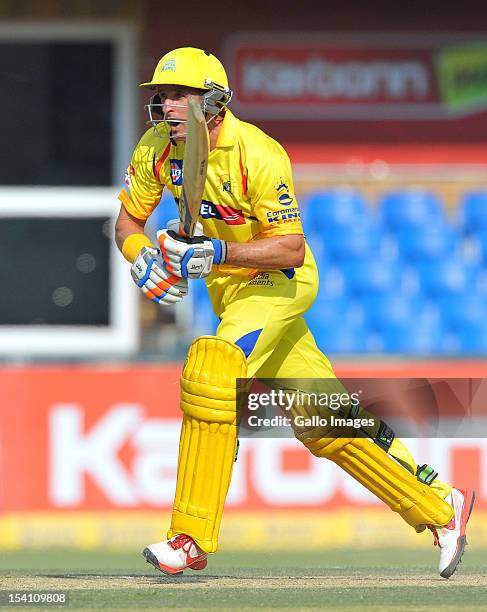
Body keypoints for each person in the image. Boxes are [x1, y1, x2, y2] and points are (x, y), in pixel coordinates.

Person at [115, 47, 474, 579]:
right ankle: (442, 508)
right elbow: (127, 221)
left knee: (212, 370)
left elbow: (291, 250)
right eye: (160, 97)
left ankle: (188, 537)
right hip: (232, 295)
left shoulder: (258, 153)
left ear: (212, 103)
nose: (165, 106)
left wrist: (216, 253)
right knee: (324, 423)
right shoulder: (155, 149)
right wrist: (139, 255)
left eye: (178, 97)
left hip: (279, 284)